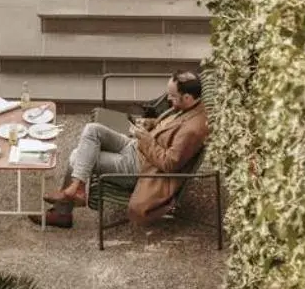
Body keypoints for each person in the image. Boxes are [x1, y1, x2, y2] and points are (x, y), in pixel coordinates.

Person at [40, 71, 209, 229]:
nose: (169, 100)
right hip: (135, 146)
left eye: (172, 96)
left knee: (77, 156)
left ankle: (64, 211)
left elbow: (170, 163)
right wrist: (150, 124)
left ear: (187, 97)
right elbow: (168, 126)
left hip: (139, 167)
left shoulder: (192, 130)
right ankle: (77, 188)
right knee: (92, 130)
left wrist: (147, 139)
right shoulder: (188, 107)